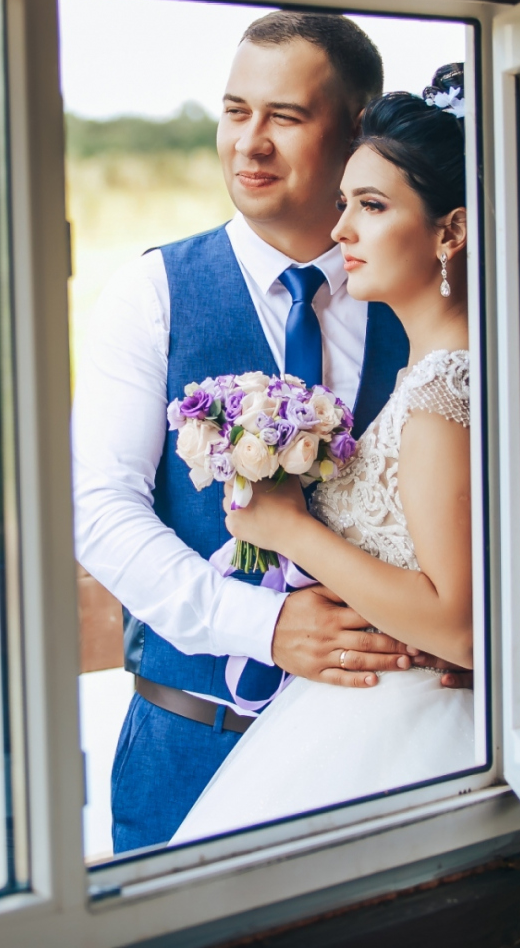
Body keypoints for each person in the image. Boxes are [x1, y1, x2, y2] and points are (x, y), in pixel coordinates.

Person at [72, 14, 464, 855]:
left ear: (358, 130)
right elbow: (102, 511)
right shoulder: (153, 293)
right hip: (192, 742)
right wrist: (264, 625)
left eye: (284, 117)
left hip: (389, 753)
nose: (249, 144)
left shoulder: (433, 302)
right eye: (234, 111)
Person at [171, 79, 479, 842]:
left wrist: (291, 530)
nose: (341, 231)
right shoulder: (447, 371)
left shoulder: (445, 388)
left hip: (409, 729)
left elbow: (460, 623)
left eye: (371, 206)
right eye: (346, 203)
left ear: (451, 233)